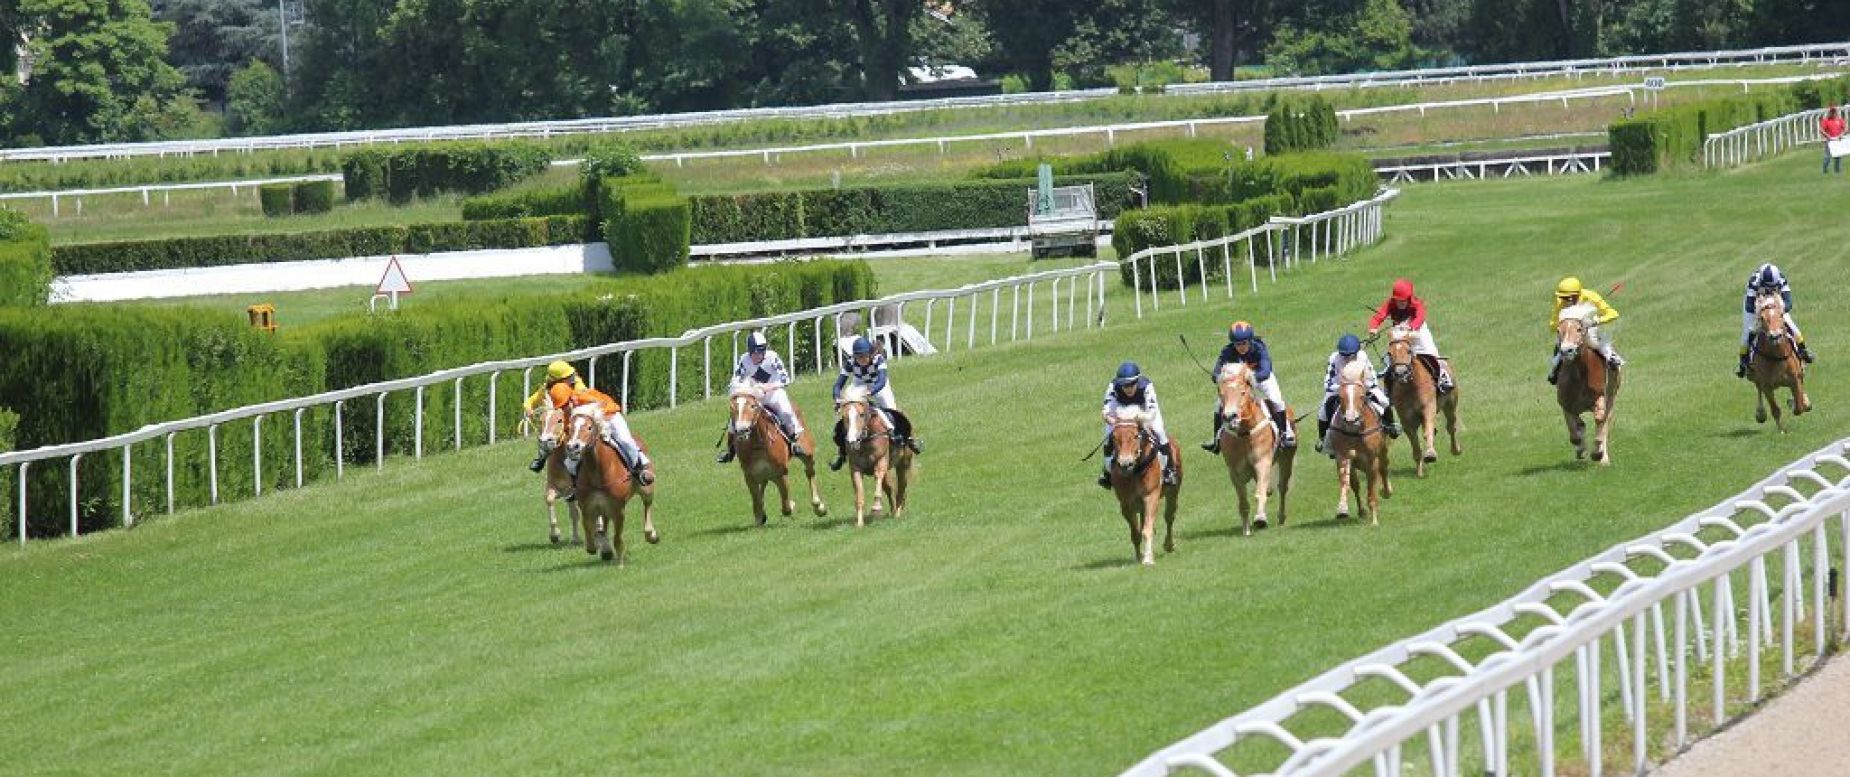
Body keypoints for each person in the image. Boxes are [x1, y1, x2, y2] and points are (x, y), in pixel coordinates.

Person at [829, 336, 923, 471]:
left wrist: (871, 392)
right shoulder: (850, 362)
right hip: (859, 385)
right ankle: (842, 452)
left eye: (863, 356)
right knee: (849, 414)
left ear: (870, 353)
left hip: (879, 386)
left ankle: (906, 438)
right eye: (858, 357)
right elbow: (838, 384)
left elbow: (882, 380)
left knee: (892, 410)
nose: (860, 360)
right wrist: (837, 398)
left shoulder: (878, 359)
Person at [1201, 321, 1296, 453]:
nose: (1241, 347)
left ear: (1250, 341)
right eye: (1237, 344)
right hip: (1238, 385)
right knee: (1218, 405)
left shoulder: (1259, 348)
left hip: (1260, 379)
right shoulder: (1227, 351)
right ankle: (1216, 440)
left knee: (1277, 400)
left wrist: (1250, 378)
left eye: (1244, 343)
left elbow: (1266, 370)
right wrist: (1217, 377)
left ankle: (1285, 433)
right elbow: (1217, 370)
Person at [717, 330, 808, 462]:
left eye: (761, 352)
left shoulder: (772, 357)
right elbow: (736, 380)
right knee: (735, 420)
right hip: (753, 395)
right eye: (754, 352)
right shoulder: (744, 360)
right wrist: (739, 391)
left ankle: (794, 442)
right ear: (749, 351)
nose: (758, 355)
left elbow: (786, 379)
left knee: (786, 411)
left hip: (773, 393)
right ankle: (730, 451)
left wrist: (768, 387)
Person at [559, 383, 654, 492]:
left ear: (569, 399)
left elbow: (598, 413)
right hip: (589, 422)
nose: (562, 409)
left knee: (624, 440)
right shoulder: (570, 406)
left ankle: (640, 467)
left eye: (563, 405)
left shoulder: (583, 397)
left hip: (610, 415)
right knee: (573, 451)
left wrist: (603, 431)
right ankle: (574, 484)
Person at [1368, 278, 1454, 393]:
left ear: (1409, 297)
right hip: (1400, 332)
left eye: (1403, 300)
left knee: (1431, 352)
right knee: (1392, 358)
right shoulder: (1390, 303)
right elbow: (1378, 316)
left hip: (1418, 331)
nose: (1400, 303)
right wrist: (1373, 328)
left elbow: (1420, 316)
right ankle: (1388, 388)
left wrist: (1411, 326)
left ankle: (1444, 378)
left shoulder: (1416, 303)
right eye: (1398, 300)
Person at [1317, 334, 1399, 454]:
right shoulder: (1334, 358)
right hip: (1339, 389)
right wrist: (1343, 388)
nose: (1347, 358)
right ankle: (1324, 440)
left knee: (1384, 401)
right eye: (1344, 355)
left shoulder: (1362, 356)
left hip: (1363, 388)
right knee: (1323, 411)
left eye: (1350, 355)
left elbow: (1372, 378)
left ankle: (1391, 426)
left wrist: (1360, 388)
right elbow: (1328, 382)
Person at [1100, 361, 1175, 488]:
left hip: (1143, 412)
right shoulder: (1113, 387)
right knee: (1107, 438)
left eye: (1131, 385)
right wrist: (1116, 422)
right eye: (1124, 385)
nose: (1128, 388)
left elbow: (1152, 412)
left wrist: (1140, 419)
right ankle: (1107, 473)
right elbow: (1106, 412)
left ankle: (1169, 469)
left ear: (1137, 382)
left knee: (1160, 432)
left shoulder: (1146, 386)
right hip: (1120, 412)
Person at [1739, 262, 1814, 377]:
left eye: (1773, 286)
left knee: (1793, 327)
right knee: (1748, 332)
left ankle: (1803, 351)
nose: (1771, 288)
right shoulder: (1754, 281)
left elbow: (1788, 303)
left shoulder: (1781, 279)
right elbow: (1749, 306)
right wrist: (1762, 312)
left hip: (1776, 306)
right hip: (1756, 306)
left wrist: (1777, 311)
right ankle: (1743, 363)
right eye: (1768, 286)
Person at [1547, 277, 1623, 385]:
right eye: (1564, 297)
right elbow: (1552, 324)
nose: (1567, 300)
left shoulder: (1591, 296)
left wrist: (1596, 321)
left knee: (1596, 341)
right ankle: (1555, 368)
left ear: (1577, 294)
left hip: (1589, 328)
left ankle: (1611, 357)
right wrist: (1564, 324)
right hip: (1569, 331)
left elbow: (1613, 313)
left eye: (1570, 297)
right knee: (1561, 344)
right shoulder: (1560, 302)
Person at [523, 360, 585, 472]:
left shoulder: (578, 385)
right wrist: (528, 409)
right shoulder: (546, 388)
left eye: (571, 375)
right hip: (558, 423)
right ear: (557, 380)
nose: (572, 378)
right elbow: (530, 401)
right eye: (568, 376)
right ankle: (541, 457)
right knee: (546, 432)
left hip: (574, 419)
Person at [1821, 106, 1845, 175]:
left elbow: (1845, 129)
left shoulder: (1839, 120)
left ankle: (1837, 171)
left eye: (1835, 112)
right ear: (1830, 113)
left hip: (1837, 141)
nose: (1834, 113)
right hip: (1830, 141)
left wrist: (1841, 134)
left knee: (1838, 157)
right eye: (1832, 112)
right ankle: (1825, 170)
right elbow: (1821, 130)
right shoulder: (1826, 120)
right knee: (1827, 157)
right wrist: (1827, 136)